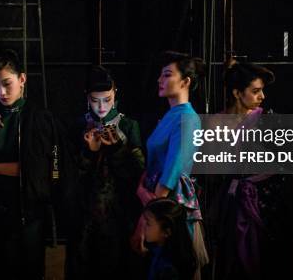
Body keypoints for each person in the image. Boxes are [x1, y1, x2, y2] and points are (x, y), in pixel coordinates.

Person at [0, 50, 65, 279]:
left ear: (22, 79)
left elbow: (34, 170)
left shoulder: (39, 118)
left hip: (28, 212)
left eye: (7, 83)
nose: (1, 92)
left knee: (28, 269)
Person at [208, 59, 293, 280]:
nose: (262, 97)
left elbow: (284, 161)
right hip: (230, 199)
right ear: (237, 93)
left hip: (265, 201)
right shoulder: (216, 122)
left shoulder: (266, 120)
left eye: (262, 91)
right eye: (255, 91)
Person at [65, 65, 145, 279]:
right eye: (95, 100)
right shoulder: (77, 126)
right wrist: (89, 154)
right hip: (84, 215)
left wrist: (117, 148)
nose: (101, 107)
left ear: (115, 94)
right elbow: (68, 175)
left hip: (120, 214)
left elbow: (137, 172)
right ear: (86, 98)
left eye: (107, 100)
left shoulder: (128, 125)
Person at [133, 51, 208, 277]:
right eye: (161, 75)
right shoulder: (170, 115)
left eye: (167, 75)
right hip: (158, 203)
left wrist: (148, 212)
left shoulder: (188, 118)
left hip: (170, 209)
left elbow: (172, 171)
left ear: (186, 81)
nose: (160, 80)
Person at [144, 198, 197, 280]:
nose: (144, 227)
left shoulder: (169, 269)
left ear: (166, 232)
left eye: (148, 223)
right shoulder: (154, 252)